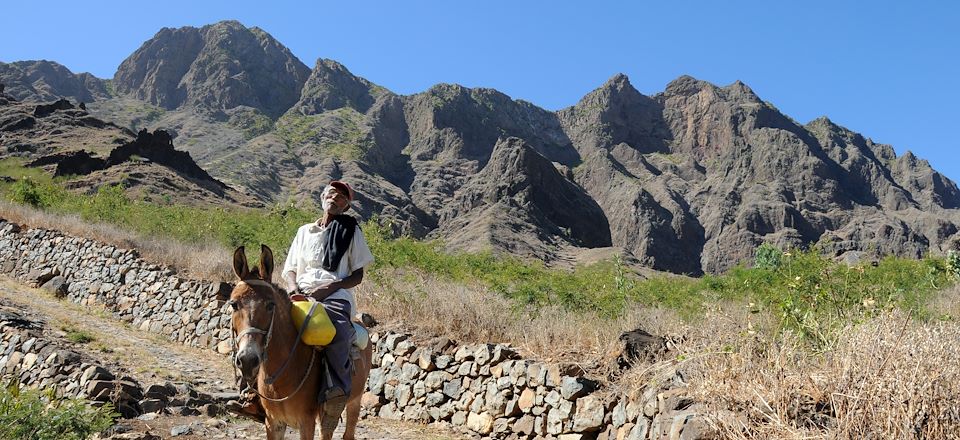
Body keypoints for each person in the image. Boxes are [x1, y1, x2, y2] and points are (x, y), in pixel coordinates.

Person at [283, 180, 374, 409]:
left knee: (338, 334)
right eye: (332, 193)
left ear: (346, 207)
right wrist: (293, 289)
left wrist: (329, 288)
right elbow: (290, 269)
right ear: (323, 196)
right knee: (264, 323)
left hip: (335, 296)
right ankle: (254, 393)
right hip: (300, 292)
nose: (335, 198)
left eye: (342, 197)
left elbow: (357, 275)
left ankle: (336, 392)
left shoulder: (351, 231)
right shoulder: (304, 231)